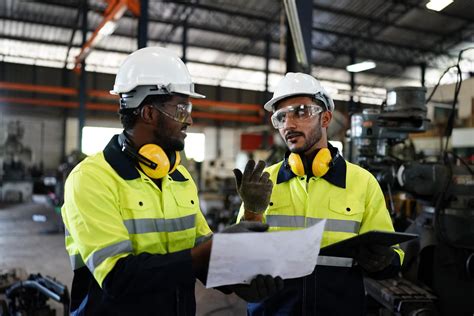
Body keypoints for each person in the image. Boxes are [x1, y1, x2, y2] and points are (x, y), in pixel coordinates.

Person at [61, 47, 283, 316]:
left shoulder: (179, 177)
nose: (189, 118)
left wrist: (240, 279)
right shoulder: (92, 179)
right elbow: (118, 278)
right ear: (149, 113)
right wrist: (207, 253)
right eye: (182, 108)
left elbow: (205, 254)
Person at [234, 72, 405, 315]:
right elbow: (239, 260)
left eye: (301, 112)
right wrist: (251, 212)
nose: (288, 125)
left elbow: (394, 257)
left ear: (325, 118)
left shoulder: (362, 182)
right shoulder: (263, 182)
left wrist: (384, 259)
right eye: (281, 117)